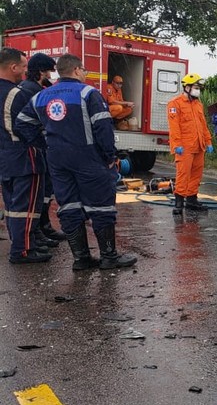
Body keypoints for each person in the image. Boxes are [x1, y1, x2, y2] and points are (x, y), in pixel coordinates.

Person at [14, 53, 136, 270]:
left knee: (68, 205)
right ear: (77, 70)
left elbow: (22, 124)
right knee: (101, 206)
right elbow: (103, 128)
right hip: (88, 157)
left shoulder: (41, 96)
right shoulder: (89, 94)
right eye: (84, 70)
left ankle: (81, 259)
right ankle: (109, 257)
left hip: (57, 159)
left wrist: (45, 144)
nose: (85, 74)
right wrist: (110, 156)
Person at [0, 48, 51, 264]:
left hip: (5, 156)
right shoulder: (17, 94)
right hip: (24, 156)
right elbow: (28, 126)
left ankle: (19, 245)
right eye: (23, 66)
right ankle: (23, 250)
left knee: (12, 204)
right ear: (13, 67)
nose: (25, 71)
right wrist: (44, 144)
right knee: (27, 205)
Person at [22, 53, 66, 243]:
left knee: (46, 190)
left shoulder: (35, 89)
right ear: (41, 72)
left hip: (40, 148)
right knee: (39, 191)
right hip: (37, 149)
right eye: (50, 71)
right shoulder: (33, 92)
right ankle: (38, 231)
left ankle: (44, 226)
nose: (51, 75)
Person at [166, 73, 213, 214]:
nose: (198, 90)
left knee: (196, 174)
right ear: (187, 87)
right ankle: (179, 202)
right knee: (183, 174)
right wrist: (177, 145)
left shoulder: (198, 104)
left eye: (199, 88)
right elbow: (174, 127)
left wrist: (208, 141)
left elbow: (203, 125)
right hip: (184, 147)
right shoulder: (175, 104)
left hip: (199, 145)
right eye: (196, 87)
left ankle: (192, 200)